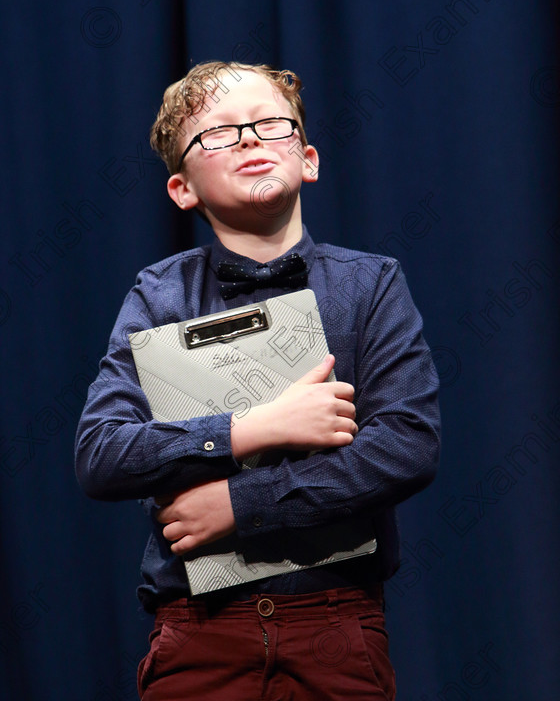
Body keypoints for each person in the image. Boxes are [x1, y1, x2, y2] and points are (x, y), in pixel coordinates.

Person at [75, 61, 441, 700]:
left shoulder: (372, 285)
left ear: (308, 159)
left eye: (269, 124)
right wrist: (248, 430)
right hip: (198, 634)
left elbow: (406, 446)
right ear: (182, 189)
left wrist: (240, 506)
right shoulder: (159, 296)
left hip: (338, 629)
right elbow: (101, 455)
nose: (247, 138)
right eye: (215, 133)